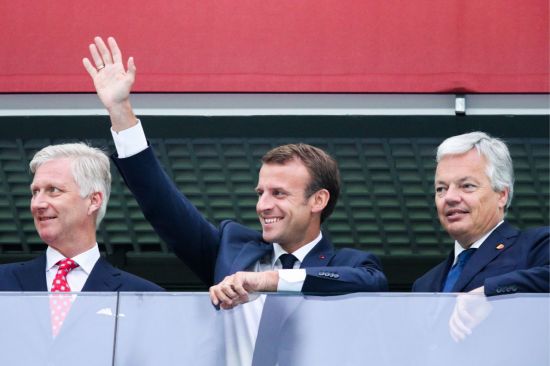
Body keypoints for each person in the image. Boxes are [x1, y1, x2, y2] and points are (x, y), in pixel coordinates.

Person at [82, 36, 388, 308]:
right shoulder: (230, 251)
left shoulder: (353, 265)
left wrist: (269, 281)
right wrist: (120, 110)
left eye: (279, 193)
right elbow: (163, 206)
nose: (263, 205)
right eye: (261, 193)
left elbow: (370, 283)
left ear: (318, 200)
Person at [0, 142, 164, 293]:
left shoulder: (143, 295)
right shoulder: (4, 281)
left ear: (93, 201)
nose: (38, 204)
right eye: (35, 192)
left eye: (54, 190)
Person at [413, 131, 549, 295]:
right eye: (441, 189)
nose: (449, 197)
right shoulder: (424, 285)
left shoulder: (536, 247)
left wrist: (489, 293)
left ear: (501, 195)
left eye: (467, 186)